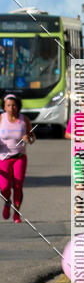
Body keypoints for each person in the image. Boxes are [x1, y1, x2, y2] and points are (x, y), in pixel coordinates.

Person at [0, 93, 35, 223]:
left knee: (18, 186)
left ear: (18, 106)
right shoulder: (1, 119)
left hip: (19, 157)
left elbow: (32, 138)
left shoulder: (24, 120)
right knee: (4, 187)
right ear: (4, 106)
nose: (11, 108)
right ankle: (7, 202)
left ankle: (16, 213)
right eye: (8, 105)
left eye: (14, 105)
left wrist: (28, 138)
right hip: (3, 157)